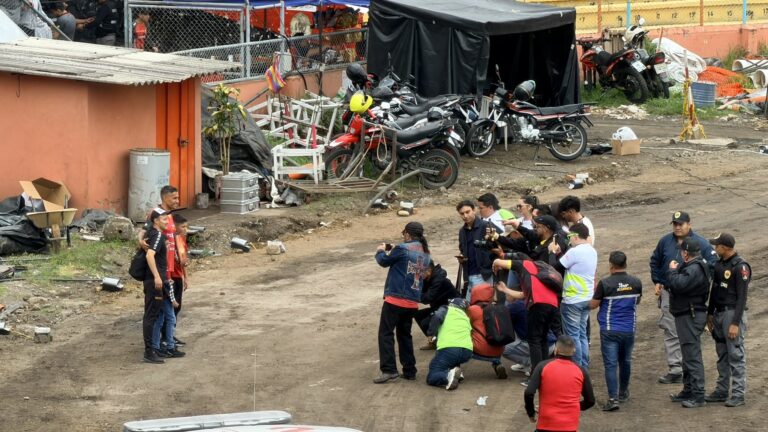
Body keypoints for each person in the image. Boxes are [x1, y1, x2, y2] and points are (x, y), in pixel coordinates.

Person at [650, 211, 717, 384]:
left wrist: (699, 285)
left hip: (691, 299)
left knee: (689, 335)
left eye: (681, 224)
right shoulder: (665, 241)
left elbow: (713, 266)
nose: (677, 227)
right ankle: (675, 369)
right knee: (670, 329)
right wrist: (657, 280)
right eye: (675, 224)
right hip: (670, 293)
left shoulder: (701, 243)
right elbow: (655, 261)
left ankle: (691, 374)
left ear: (689, 224)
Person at [373, 222, 431, 383]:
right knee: (404, 335)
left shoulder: (402, 249)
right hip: (412, 302)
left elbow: (383, 261)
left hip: (396, 299)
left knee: (386, 334)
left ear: (407, 233)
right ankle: (409, 370)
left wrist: (380, 250)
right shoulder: (426, 253)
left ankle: (389, 370)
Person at [493, 255, 561, 384]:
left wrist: (495, 263)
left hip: (538, 304)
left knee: (534, 340)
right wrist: (505, 289)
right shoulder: (539, 270)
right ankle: (544, 374)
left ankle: (535, 377)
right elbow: (522, 295)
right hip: (552, 305)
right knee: (542, 339)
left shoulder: (524, 264)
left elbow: (499, 261)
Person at [590, 251, 643, 411]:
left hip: (610, 330)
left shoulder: (605, 283)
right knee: (625, 361)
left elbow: (593, 305)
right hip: (629, 329)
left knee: (611, 365)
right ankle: (623, 392)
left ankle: (613, 399)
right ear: (625, 264)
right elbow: (637, 301)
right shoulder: (636, 282)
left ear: (611, 265)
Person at [705, 233, 750, 407]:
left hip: (732, 314)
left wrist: (735, 323)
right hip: (719, 314)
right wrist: (710, 313)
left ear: (725, 247)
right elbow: (714, 290)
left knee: (736, 354)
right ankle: (722, 390)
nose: (715, 248)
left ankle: (738, 394)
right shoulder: (719, 265)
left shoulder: (740, 267)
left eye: (717, 246)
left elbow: (742, 297)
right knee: (722, 354)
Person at [666, 238, 711, 408]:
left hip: (690, 315)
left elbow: (678, 284)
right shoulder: (695, 266)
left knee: (692, 355)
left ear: (686, 253)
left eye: (681, 251)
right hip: (688, 314)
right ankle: (689, 390)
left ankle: (698, 395)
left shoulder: (694, 268)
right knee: (687, 354)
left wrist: (672, 271)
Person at [549, 223, 597, 368]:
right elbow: (566, 264)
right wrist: (559, 254)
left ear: (575, 236)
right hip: (586, 298)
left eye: (570, 237)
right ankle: (584, 368)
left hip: (572, 301)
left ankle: (577, 369)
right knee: (582, 335)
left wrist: (552, 252)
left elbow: (554, 268)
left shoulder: (575, 252)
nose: (569, 240)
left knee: (573, 337)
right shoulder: (592, 250)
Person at [524, 335, 595, 432]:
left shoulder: (542, 366)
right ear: (574, 351)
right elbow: (590, 401)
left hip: (546, 425)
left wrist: (531, 413)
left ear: (555, 350)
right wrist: (572, 407)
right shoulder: (581, 371)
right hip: (570, 427)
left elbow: (529, 392)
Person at [425, 298, 473, 390]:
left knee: (432, 375)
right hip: (467, 351)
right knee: (450, 360)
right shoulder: (465, 317)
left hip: (450, 348)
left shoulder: (446, 309)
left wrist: (431, 333)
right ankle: (455, 372)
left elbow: (437, 316)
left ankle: (448, 376)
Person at [142, 209, 169, 364]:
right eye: (164, 219)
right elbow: (149, 255)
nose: (167, 222)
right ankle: (149, 352)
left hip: (151, 281)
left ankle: (153, 348)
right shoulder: (157, 235)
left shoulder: (150, 233)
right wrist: (157, 277)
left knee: (153, 315)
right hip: (154, 282)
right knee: (151, 316)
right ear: (156, 221)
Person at [413, 261, 460, 350]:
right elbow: (418, 291)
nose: (418, 274)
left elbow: (428, 298)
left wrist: (414, 294)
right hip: (438, 307)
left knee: (426, 322)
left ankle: (441, 341)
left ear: (429, 270)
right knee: (418, 315)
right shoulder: (427, 279)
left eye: (420, 271)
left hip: (451, 308)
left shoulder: (438, 279)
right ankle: (434, 341)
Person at [503, 299, 557, 375]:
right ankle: (536, 364)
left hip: (538, 345)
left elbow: (501, 323)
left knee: (502, 348)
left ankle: (531, 365)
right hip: (551, 345)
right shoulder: (538, 301)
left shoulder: (516, 305)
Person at [456, 200, 497, 299]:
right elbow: (462, 249)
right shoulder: (462, 231)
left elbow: (498, 245)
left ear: (474, 210)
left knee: (480, 304)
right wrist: (462, 257)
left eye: (467, 212)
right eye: (462, 213)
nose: (465, 216)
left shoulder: (486, 226)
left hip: (484, 274)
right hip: (469, 274)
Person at [466, 282, 507, 379]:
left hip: (478, 350)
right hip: (498, 351)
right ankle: (497, 364)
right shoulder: (498, 308)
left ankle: (455, 366)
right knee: (493, 333)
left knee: (462, 333)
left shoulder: (472, 310)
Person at [169, 213, 190, 345]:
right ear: (175, 226)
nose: (185, 230)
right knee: (171, 308)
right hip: (170, 277)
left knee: (177, 307)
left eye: (186, 227)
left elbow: (183, 259)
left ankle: (170, 334)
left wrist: (185, 277)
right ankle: (167, 336)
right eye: (183, 227)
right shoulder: (169, 239)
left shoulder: (181, 239)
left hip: (178, 276)